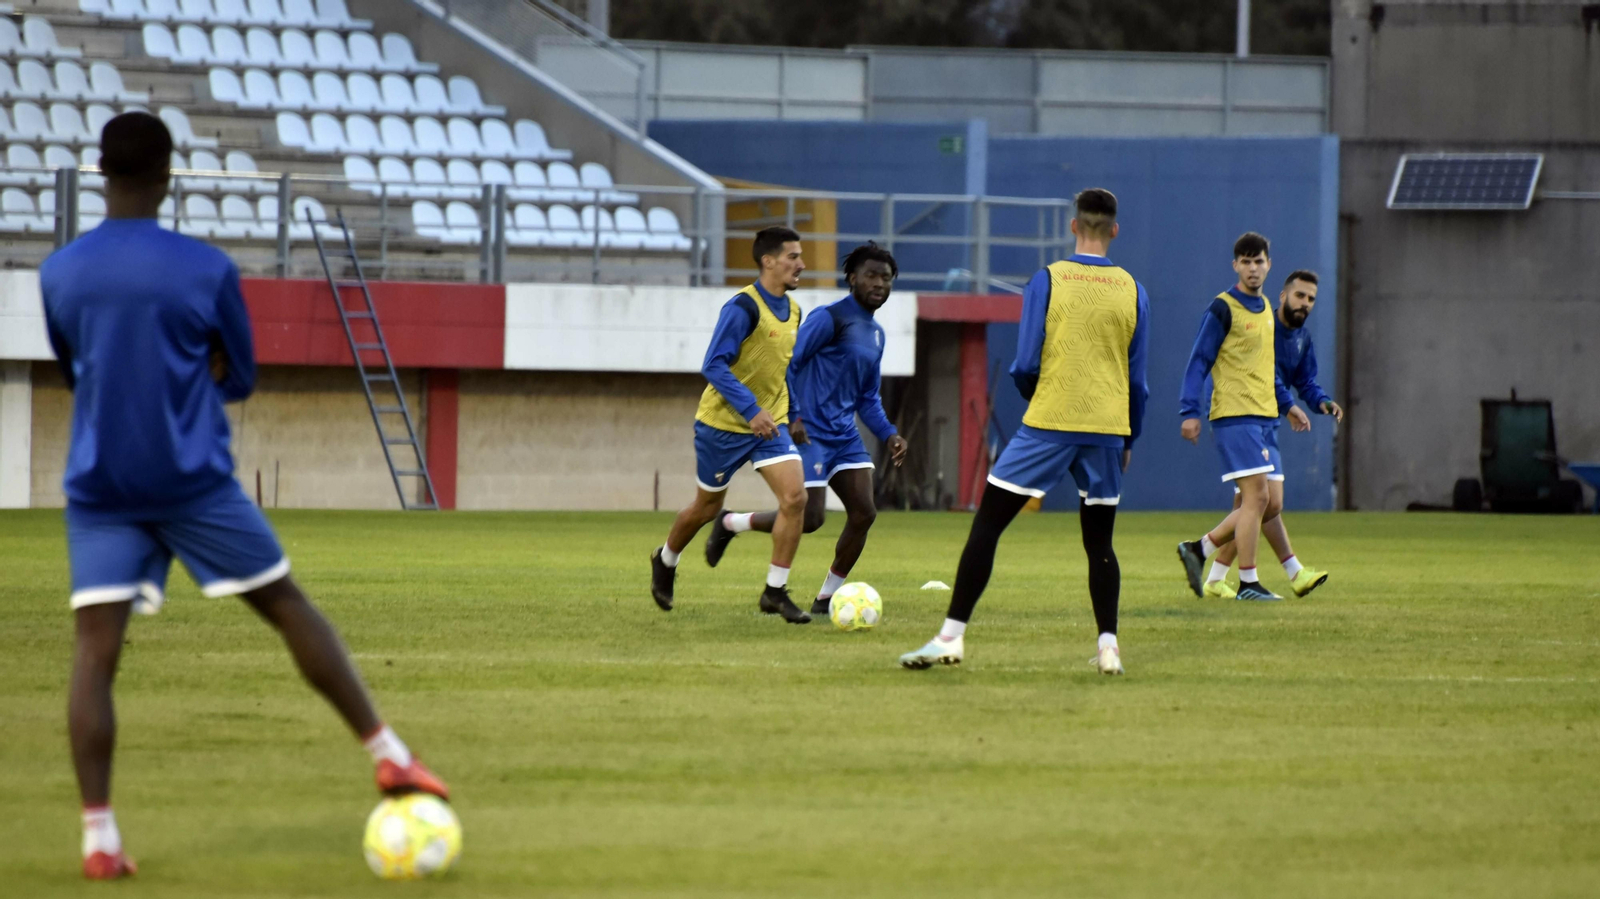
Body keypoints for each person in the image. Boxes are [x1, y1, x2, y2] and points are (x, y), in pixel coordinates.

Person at [42, 113, 446, 881]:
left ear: (101, 172)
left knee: (94, 654)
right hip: (190, 478)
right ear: (167, 176)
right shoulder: (204, 268)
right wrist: (200, 375)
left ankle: (98, 837)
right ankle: (389, 755)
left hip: (99, 486)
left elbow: (74, 372)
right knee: (288, 604)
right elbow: (244, 377)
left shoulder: (59, 272)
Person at [899, 188, 1149, 675]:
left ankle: (950, 637)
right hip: (1106, 430)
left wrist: (1036, 393)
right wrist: (1129, 438)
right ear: (1114, 231)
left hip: (1048, 423)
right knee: (1099, 543)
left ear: (1073, 227)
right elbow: (1137, 381)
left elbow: (1025, 361)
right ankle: (1109, 647)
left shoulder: (1048, 278)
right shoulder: (1134, 288)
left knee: (987, 527)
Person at [703, 242, 910, 616]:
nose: (880, 283)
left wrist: (889, 433)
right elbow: (790, 364)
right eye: (872, 275)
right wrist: (793, 416)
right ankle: (731, 522)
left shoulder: (876, 335)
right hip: (808, 431)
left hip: (845, 437)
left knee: (864, 512)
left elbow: (867, 397)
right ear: (852, 279)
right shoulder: (829, 318)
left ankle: (826, 599)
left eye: (887, 277)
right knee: (811, 518)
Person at [649, 226, 813, 623]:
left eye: (800, 256)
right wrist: (751, 409)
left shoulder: (794, 311)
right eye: (793, 257)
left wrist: (792, 415)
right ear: (768, 261)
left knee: (795, 499)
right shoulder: (742, 308)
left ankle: (775, 591)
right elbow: (713, 365)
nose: (801, 264)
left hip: (768, 426)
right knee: (706, 508)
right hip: (722, 426)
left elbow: (784, 369)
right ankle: (666, 559)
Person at [1175, 233, 1311, 603]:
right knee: (1256, 498)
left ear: (1269, 264)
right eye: (1246, 262)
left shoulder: (1267, 308)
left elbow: (1266, 369)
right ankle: (1249, 584)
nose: (1253, 268)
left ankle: (1201, 551)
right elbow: (1199, 361)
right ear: (1235, 265)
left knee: (1271, 503)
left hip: (1266, 417)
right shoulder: (1222, 307)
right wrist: (1190, 411)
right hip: (1236, 415)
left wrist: (1288, 404)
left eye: (1259, 261)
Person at [1203, 270, 1342, 599]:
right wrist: (1290, 405)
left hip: (1267, 422)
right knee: (1266, 501)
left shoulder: (1302, 339)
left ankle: (1214, 577)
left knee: (1254, 502)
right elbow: (1263, 374)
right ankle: (1206, 551)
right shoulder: (1263, 324)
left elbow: (1306, 379)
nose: (1304, 303)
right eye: (1299, 296)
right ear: (1283, 296)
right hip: (1243, 417)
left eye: (1310, 299)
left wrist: (1321, 401)